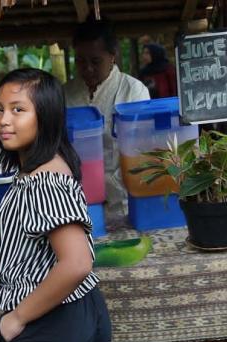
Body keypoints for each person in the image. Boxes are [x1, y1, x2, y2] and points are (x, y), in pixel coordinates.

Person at [0, 68, 111, 342]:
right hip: (75, 313)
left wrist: (17, 317)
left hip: (51, 323)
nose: (4, 120)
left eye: (18, 110)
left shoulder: (45, 181)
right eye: (0, 109)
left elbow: (77, 263)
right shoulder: (49, 166)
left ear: (45, 117)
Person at [64, 18, 150, 217]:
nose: (88, 69)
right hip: (75, 203)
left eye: (95, 61)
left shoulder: (133, 92)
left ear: (113, 56)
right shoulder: (64, 94)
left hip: (125, 201)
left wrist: (107, 185)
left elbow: (141, 150)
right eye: (80, 61)